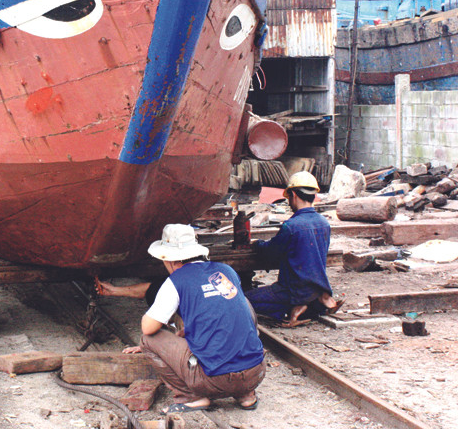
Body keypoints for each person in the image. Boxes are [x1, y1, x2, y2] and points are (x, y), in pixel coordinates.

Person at [128, 224, 266, 413]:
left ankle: (190, 397)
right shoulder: (227, 271)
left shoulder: (176, 280)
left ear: (167, 258)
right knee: (242, 307)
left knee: (148, 339)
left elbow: (148, 327)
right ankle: (246, 395)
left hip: (215, 382)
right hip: (256, 373)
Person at [246, 171, 341, 327]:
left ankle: (294, 306)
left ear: (294, 195)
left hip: (291, 292)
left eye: (288, 197)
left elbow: (270, 253)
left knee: (243, 300)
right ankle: (312, 304)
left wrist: (257, 244)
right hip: (315, 289)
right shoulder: (324, 223)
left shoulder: (291, 226)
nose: (289, 201)